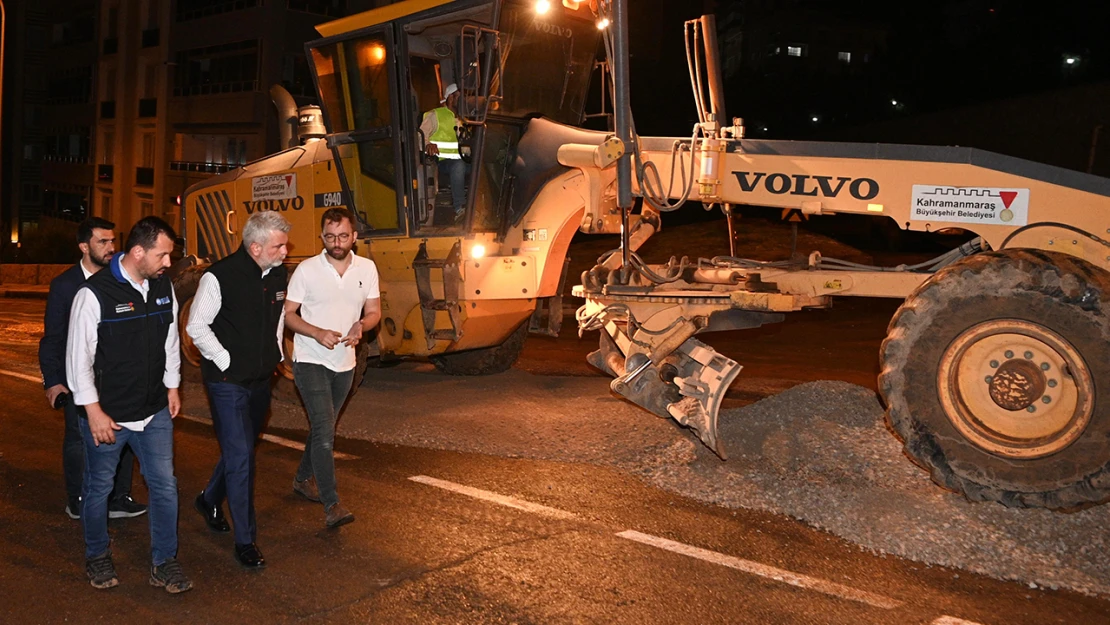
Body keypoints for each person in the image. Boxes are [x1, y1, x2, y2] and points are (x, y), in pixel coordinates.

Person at [66, 216, 192, 593]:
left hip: (153, 410)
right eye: (163, 255)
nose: (168, 262)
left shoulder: (162, 286)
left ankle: (164, 561)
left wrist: (172, 386)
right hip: (109, 416)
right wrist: (93, 411)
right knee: (99, 488)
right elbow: (78, 359)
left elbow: (171, 340)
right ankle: (97, 554)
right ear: (138, 252)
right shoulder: (94, 294)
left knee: (165, 486)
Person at [186, 211, 290, 569]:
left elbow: (276, 318)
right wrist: (225, 360)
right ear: (256, 246)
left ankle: (209, 498)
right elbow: (196, 326)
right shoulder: (219, 277)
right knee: (243, 457)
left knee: (240, 449)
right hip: (227, 382)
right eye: (279, 245)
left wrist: (276, 353)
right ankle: (245, 541)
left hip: (262, 380)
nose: (285, 251)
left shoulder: (278, 272)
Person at [39, 217, 147, 521]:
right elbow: (53, 337)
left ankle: (119, 497)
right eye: (103, 242)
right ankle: (77, 498)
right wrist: (53, 381)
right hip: (77, 376)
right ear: (84, 246)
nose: (111, 247)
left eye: (113, 241)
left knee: (122, 432)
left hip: (116, 377)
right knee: (77, 438)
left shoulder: (123, 279)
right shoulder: (65, 285)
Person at [285, 207, 381, 528]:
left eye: (342, 236)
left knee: (322, 426)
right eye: (329, 236)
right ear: (322, 237)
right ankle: (332, 504)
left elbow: (374, 311)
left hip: (345, 363)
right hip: (310, 359)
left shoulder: (367, 269)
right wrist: (316, 332)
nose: (336, 242)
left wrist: (361, 326)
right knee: (326, 432)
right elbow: (288, 314)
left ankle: (301, 479)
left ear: (354, 236)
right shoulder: (306, 270)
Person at [420, 82, 470, 221]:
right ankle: (460, 208)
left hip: (464, 161)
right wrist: (427, 145)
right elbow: (420, 135)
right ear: (449, 98)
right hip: (441, 163)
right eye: (457, 97)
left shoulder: (467, 118)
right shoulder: (435, 115)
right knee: (458, 165)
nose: (461, 101)